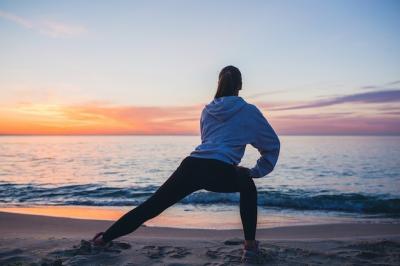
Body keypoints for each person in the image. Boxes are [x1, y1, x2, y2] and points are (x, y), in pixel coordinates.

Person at [91, 65, 280, 263]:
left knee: (151, 206)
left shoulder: (208, 110)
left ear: (219, 83)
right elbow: (271, 145)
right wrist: (255, 171)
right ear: (240, 85)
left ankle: (103, 239)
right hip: (219, 169)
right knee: (248, 186)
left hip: (191, 166)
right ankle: (249, 247)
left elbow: (208, 141)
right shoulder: (249, 111)